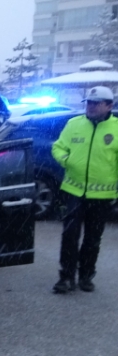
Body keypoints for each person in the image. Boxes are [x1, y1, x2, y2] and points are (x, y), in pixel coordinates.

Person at [51, 86, 118, 294]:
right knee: (70, 235)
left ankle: (86, 276)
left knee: (92, 239)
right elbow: (58, 147)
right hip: (74, 192)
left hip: (103, 195)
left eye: (96, 103)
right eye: (88, 102)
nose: (90, 106)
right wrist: (66, 160)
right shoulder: (74, 124)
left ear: (109, 106)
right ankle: (66, 277)